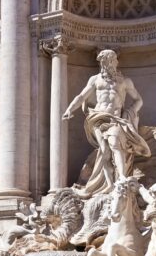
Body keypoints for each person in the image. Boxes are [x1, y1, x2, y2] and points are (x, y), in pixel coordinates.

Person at [63, 49, 150, 196]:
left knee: (115, 143)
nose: (117, 62)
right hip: (98, 117)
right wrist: (70, 109)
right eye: (114, 59)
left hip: (116, 119)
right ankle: (108, 184)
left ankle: (121, 178)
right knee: (104, 150)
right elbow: (81, 96)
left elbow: (139, 100)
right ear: (108, 61)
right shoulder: (95, 79)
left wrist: (129, 113)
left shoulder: (125, 81)